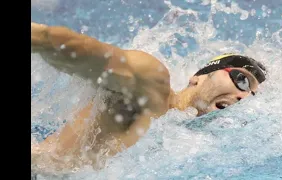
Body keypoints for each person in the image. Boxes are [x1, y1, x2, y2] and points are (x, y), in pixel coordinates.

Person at [31, 22, 267, 173]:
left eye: (251, 95)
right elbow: (78, 50)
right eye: (242, 80)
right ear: (198, 77)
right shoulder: (150, 88)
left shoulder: (191, 147)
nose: (243, 96)